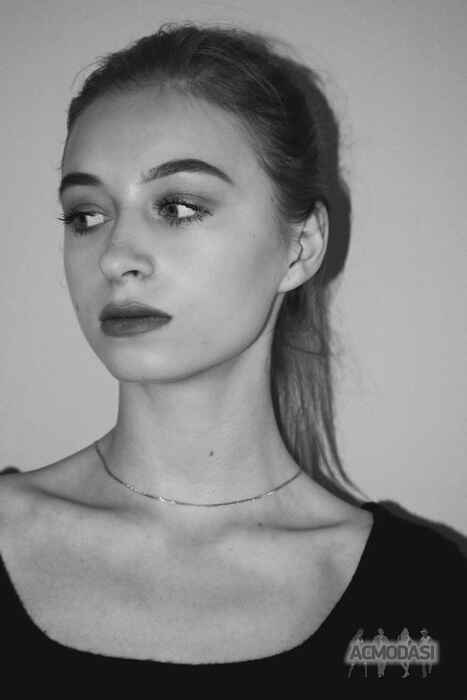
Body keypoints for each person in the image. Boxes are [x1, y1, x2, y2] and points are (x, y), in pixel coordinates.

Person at [0, 21, 465, 686]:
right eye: (86, 215)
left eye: (179, 207)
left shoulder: (424, 599)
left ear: (300, 248)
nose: (115, 256)